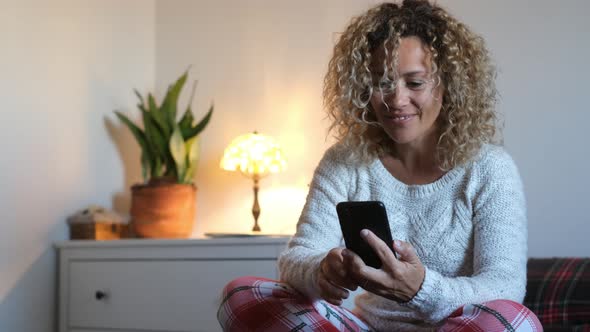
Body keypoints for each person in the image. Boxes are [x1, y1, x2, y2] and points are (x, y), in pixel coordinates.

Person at [218, 1, 543, 330]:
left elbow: (505, 288)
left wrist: (420, 290)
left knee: (516, 322)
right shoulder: (345, 161)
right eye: (381, 83)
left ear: (449, 85)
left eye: (414, 83)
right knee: (243, 294)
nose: (396, 100)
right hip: (364, 327)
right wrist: (322, 270)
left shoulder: (490, 168)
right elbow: (297, 258)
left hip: (456, 327)